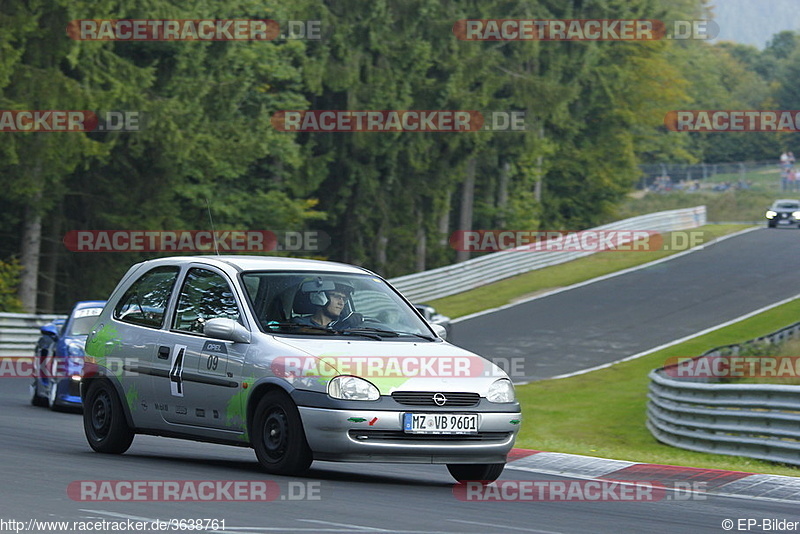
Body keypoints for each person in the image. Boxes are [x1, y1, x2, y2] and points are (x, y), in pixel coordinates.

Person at [292, 281, 360, 329]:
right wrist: (335, 329)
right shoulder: (299, 324)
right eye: (336, 297)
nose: (341, 303)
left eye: (344, 299)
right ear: (320, 297)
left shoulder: (345, 325)